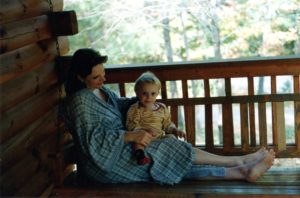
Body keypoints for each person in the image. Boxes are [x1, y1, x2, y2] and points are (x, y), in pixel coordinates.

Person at [63, 48, 275, 185]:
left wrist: (148, 102)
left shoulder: (103, 92)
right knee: (170, 150)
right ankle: (240, 163)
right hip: (106, 164)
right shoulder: (79, 101)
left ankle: (242, 169)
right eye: (96, 77)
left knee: (170, 155)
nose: (103, 79)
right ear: (81, 77)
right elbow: (92, 142)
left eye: (103, 73)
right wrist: (129, 136)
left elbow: (122, 105)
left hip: (126, 149)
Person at [126, 71, 186, 165]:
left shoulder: (161, 108)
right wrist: (141, 130)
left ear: (158, 93)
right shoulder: (135, 109)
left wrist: (174, 129)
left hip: (160, 137)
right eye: (144, 93)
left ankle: (177, 156)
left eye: (153, 93)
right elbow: (131, 125)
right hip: (144, 138)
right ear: (137, 93)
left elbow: (167, 124)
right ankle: (140, 156)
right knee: (137, 143)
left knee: (172, 137)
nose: (148, 97)